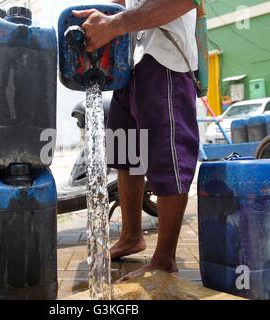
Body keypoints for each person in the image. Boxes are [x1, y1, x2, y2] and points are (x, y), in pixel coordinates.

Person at [73, 0, 200, 281]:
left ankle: (164, 258)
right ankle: (131, 236)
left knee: (169, 157)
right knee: (125, 152)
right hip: (130, 62)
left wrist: (113, 24)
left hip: (166, 60)